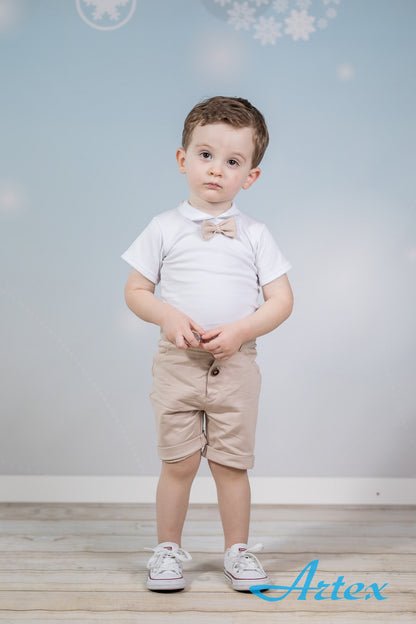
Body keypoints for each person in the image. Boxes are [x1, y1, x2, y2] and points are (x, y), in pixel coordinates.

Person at [122, 96, 293, 592]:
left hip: (236, 365)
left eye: (233, 162)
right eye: (205, 155)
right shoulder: (163, 227)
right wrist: (167, 315)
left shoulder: (256, 234)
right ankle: (167, 549)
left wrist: (241, 331)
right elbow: (135, 292)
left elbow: (281, 301)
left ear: (250, 176)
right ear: (182, 159)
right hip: (177, 362)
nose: (217, 170)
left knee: (229, 463)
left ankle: (237, 551)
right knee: (178, 460)